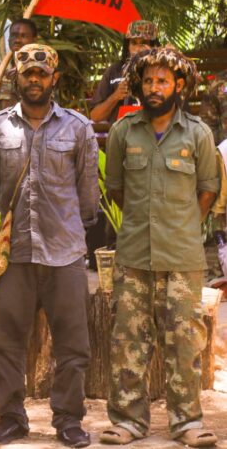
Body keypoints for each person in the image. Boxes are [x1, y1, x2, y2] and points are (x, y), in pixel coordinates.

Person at [0, 44, 99, 447]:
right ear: (16, 78)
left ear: (54, 79)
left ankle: (68, 420)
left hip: (65, 252)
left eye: (41, 73)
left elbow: (87, 194)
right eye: (27, 73)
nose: (34, 79)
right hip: (15, 254)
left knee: (73, 344)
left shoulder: (78, 127)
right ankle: (11, 418)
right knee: (6, 342)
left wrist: (67, 226)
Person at [101, 47, 219, 447]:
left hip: (183, 258)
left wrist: (179, 227)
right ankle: (128, 422)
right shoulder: (123, 131)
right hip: (134, 256)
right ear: (140, 85)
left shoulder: (198, 133)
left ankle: (187, 423)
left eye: (163, 81)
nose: (155, 88)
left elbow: (208, 190)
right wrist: (143, 223)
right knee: (128, 341)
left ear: (178, 85)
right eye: (149, 81)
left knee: (185, 343)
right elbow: (116, 189)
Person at [89, 20, 161, 124]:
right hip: (120, 131)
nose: (138, 48)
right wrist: (116, 96)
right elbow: (95, 116)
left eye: (144, 43)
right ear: (128, 46)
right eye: (134, 43)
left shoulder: (162, 72)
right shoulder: (114, 71)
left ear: (154, 46)